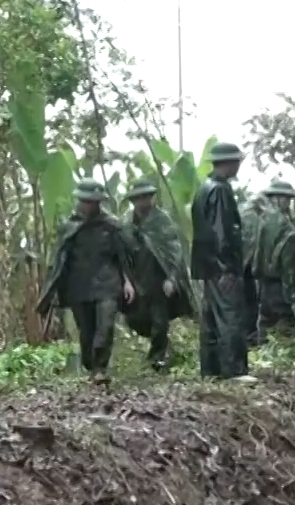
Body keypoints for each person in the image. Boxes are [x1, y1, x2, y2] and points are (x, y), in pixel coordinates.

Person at [39, 181, 135, 384]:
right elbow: (59, 262)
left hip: (108, 283)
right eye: (86, 202)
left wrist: (128, 282)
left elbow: (123, 257)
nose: (89, 206)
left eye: (93, 202)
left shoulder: (112, 225)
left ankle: (100, 369)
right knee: (86, 330)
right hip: (79, 286)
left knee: (106, 325)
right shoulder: (69, 227)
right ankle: (91, 366)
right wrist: (54, 289)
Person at [190, 142, 249, 379]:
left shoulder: (204, 188)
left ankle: (210, 371)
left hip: (208, 266)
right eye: (237, 161)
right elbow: (221, 231)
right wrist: (227, 268)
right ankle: (233, 372)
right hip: (221, 267)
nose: (239, 165)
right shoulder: (220, 190)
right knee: (230, 316)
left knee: (211, 321)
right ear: (229, 162)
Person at [122, 180, 194, 372]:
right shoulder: (127, 222)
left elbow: (173, 251)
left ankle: (157, 359)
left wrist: (171, 278)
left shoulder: (162, 220)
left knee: (160, 321)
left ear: (151, 198)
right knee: (135, 319)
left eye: (146, 197)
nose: (142, 202)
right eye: (138, 198)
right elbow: (121, 252)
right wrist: (126, 279)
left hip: (158, 278)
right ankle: (159, 348)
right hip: (137, 278)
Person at [252, 180, 295, 342]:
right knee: (285, 327)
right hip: (281, 286)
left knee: (265, 324)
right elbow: (290, 267)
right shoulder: (288, 229)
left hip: (265, 284)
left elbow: (257, 255)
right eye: (286, 199)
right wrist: (294, 295)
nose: (287, 203)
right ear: (280, 199)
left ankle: (262, 358)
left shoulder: (262, 221)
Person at [239, 179, 275, 347]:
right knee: (250, 303)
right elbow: (253, 244)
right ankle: (250, 338)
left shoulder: (245, 211)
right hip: (245, 267)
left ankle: (249, 337)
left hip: (240, 266)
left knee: (249, 303)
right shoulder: (252, 216)